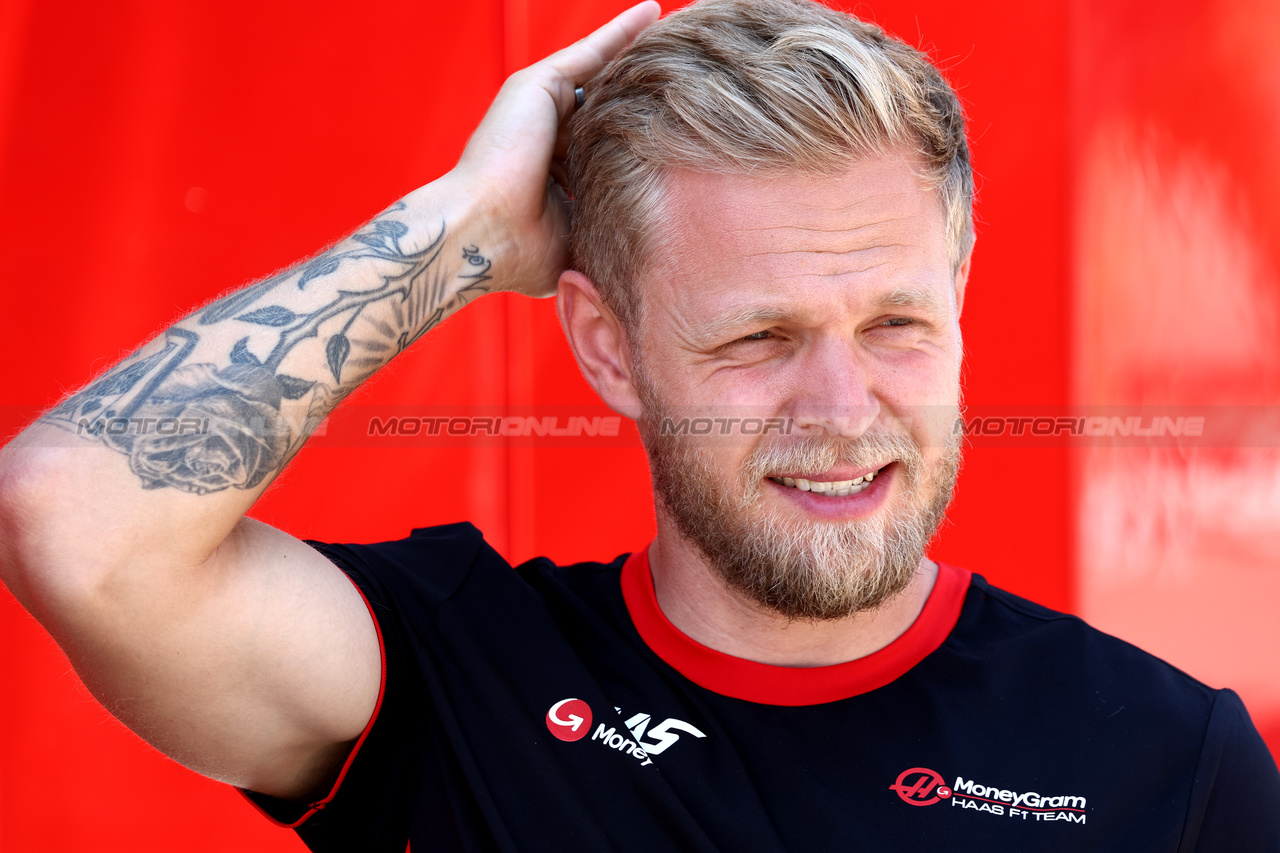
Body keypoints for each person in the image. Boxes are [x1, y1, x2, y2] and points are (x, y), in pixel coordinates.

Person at [0, 0, 1276, 849]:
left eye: (895, 324)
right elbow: (72, 521)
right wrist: (464, 230)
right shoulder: (463, 678)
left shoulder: (1174, 763)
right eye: (755, 338)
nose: (843, 412)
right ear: (606, 347)